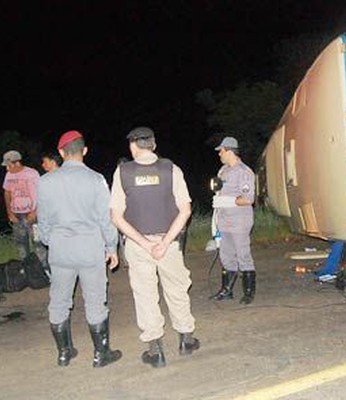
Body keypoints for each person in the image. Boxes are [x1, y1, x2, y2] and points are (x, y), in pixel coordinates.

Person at [110, 126, 199, 368]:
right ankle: (186, 340)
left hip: (139, 246)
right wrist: (165, 241)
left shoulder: (122, 172)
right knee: (177, 289)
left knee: (145, 294)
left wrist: (146, 243)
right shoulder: (172, 169)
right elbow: (185, 210)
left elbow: (116, 217)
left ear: (133, 146)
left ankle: (156, 350)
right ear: (154, 145)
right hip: (168, 244)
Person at [37, 130, 122, 368]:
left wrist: (49, 240)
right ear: (84, 151)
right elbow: (105, 219)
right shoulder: (96, 180)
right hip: (90, 250)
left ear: (62, 153)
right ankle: (100, 354)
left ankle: (64, 353)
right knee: (95, 301)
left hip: (60, 250)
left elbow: (42, 221)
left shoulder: (45, 182)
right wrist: (111, 246)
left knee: (59, 301)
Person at [211, 136, 257, 305]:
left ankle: (249, 292)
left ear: (229, 150)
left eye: (221, 151)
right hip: (224, 221)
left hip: (239, 221)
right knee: (226, 256)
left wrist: (230, 201)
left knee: (243, 255)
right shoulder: (223, 171)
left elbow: (248, 199)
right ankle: (227, 290)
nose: (219, 154)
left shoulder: (244, 172)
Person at [2, 150, 42, 261]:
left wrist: (35, 211)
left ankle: (44, 270)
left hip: (34, 216)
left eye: (8, 165)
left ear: (16, 163)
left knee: (38, 243)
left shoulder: (32, 173)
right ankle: (25, 268)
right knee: (21, 245)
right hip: (16, 215)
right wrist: (10, 213)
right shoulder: (9, 175)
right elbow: (7, 193)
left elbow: (42, 193)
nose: (7, 168)